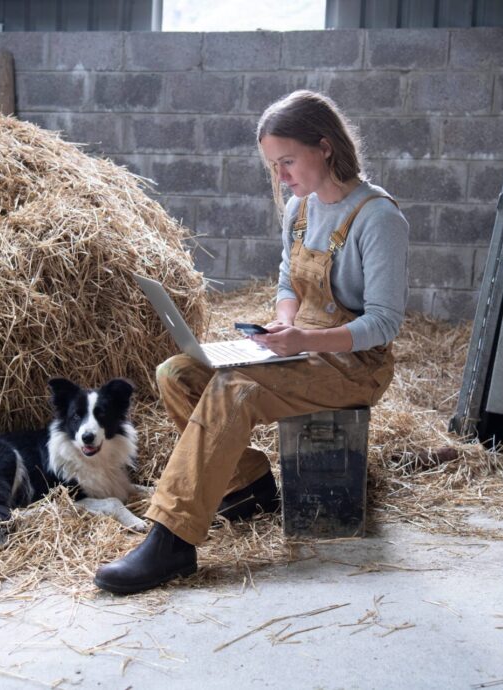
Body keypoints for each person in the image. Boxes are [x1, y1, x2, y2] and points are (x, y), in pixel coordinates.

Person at [94, 90, 410, 595]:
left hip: (356, 364)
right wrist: (279, 328)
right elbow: (288, 283)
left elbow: (386, 323)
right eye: (273, 165)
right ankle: (248, 488)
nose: (281, 177)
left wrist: (307, 336)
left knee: (234, 389)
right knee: (176, 373)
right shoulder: (300, 210)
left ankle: (172, 539)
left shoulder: (378, 218)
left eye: (288, 161)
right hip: (300, 346)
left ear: (324, 147)